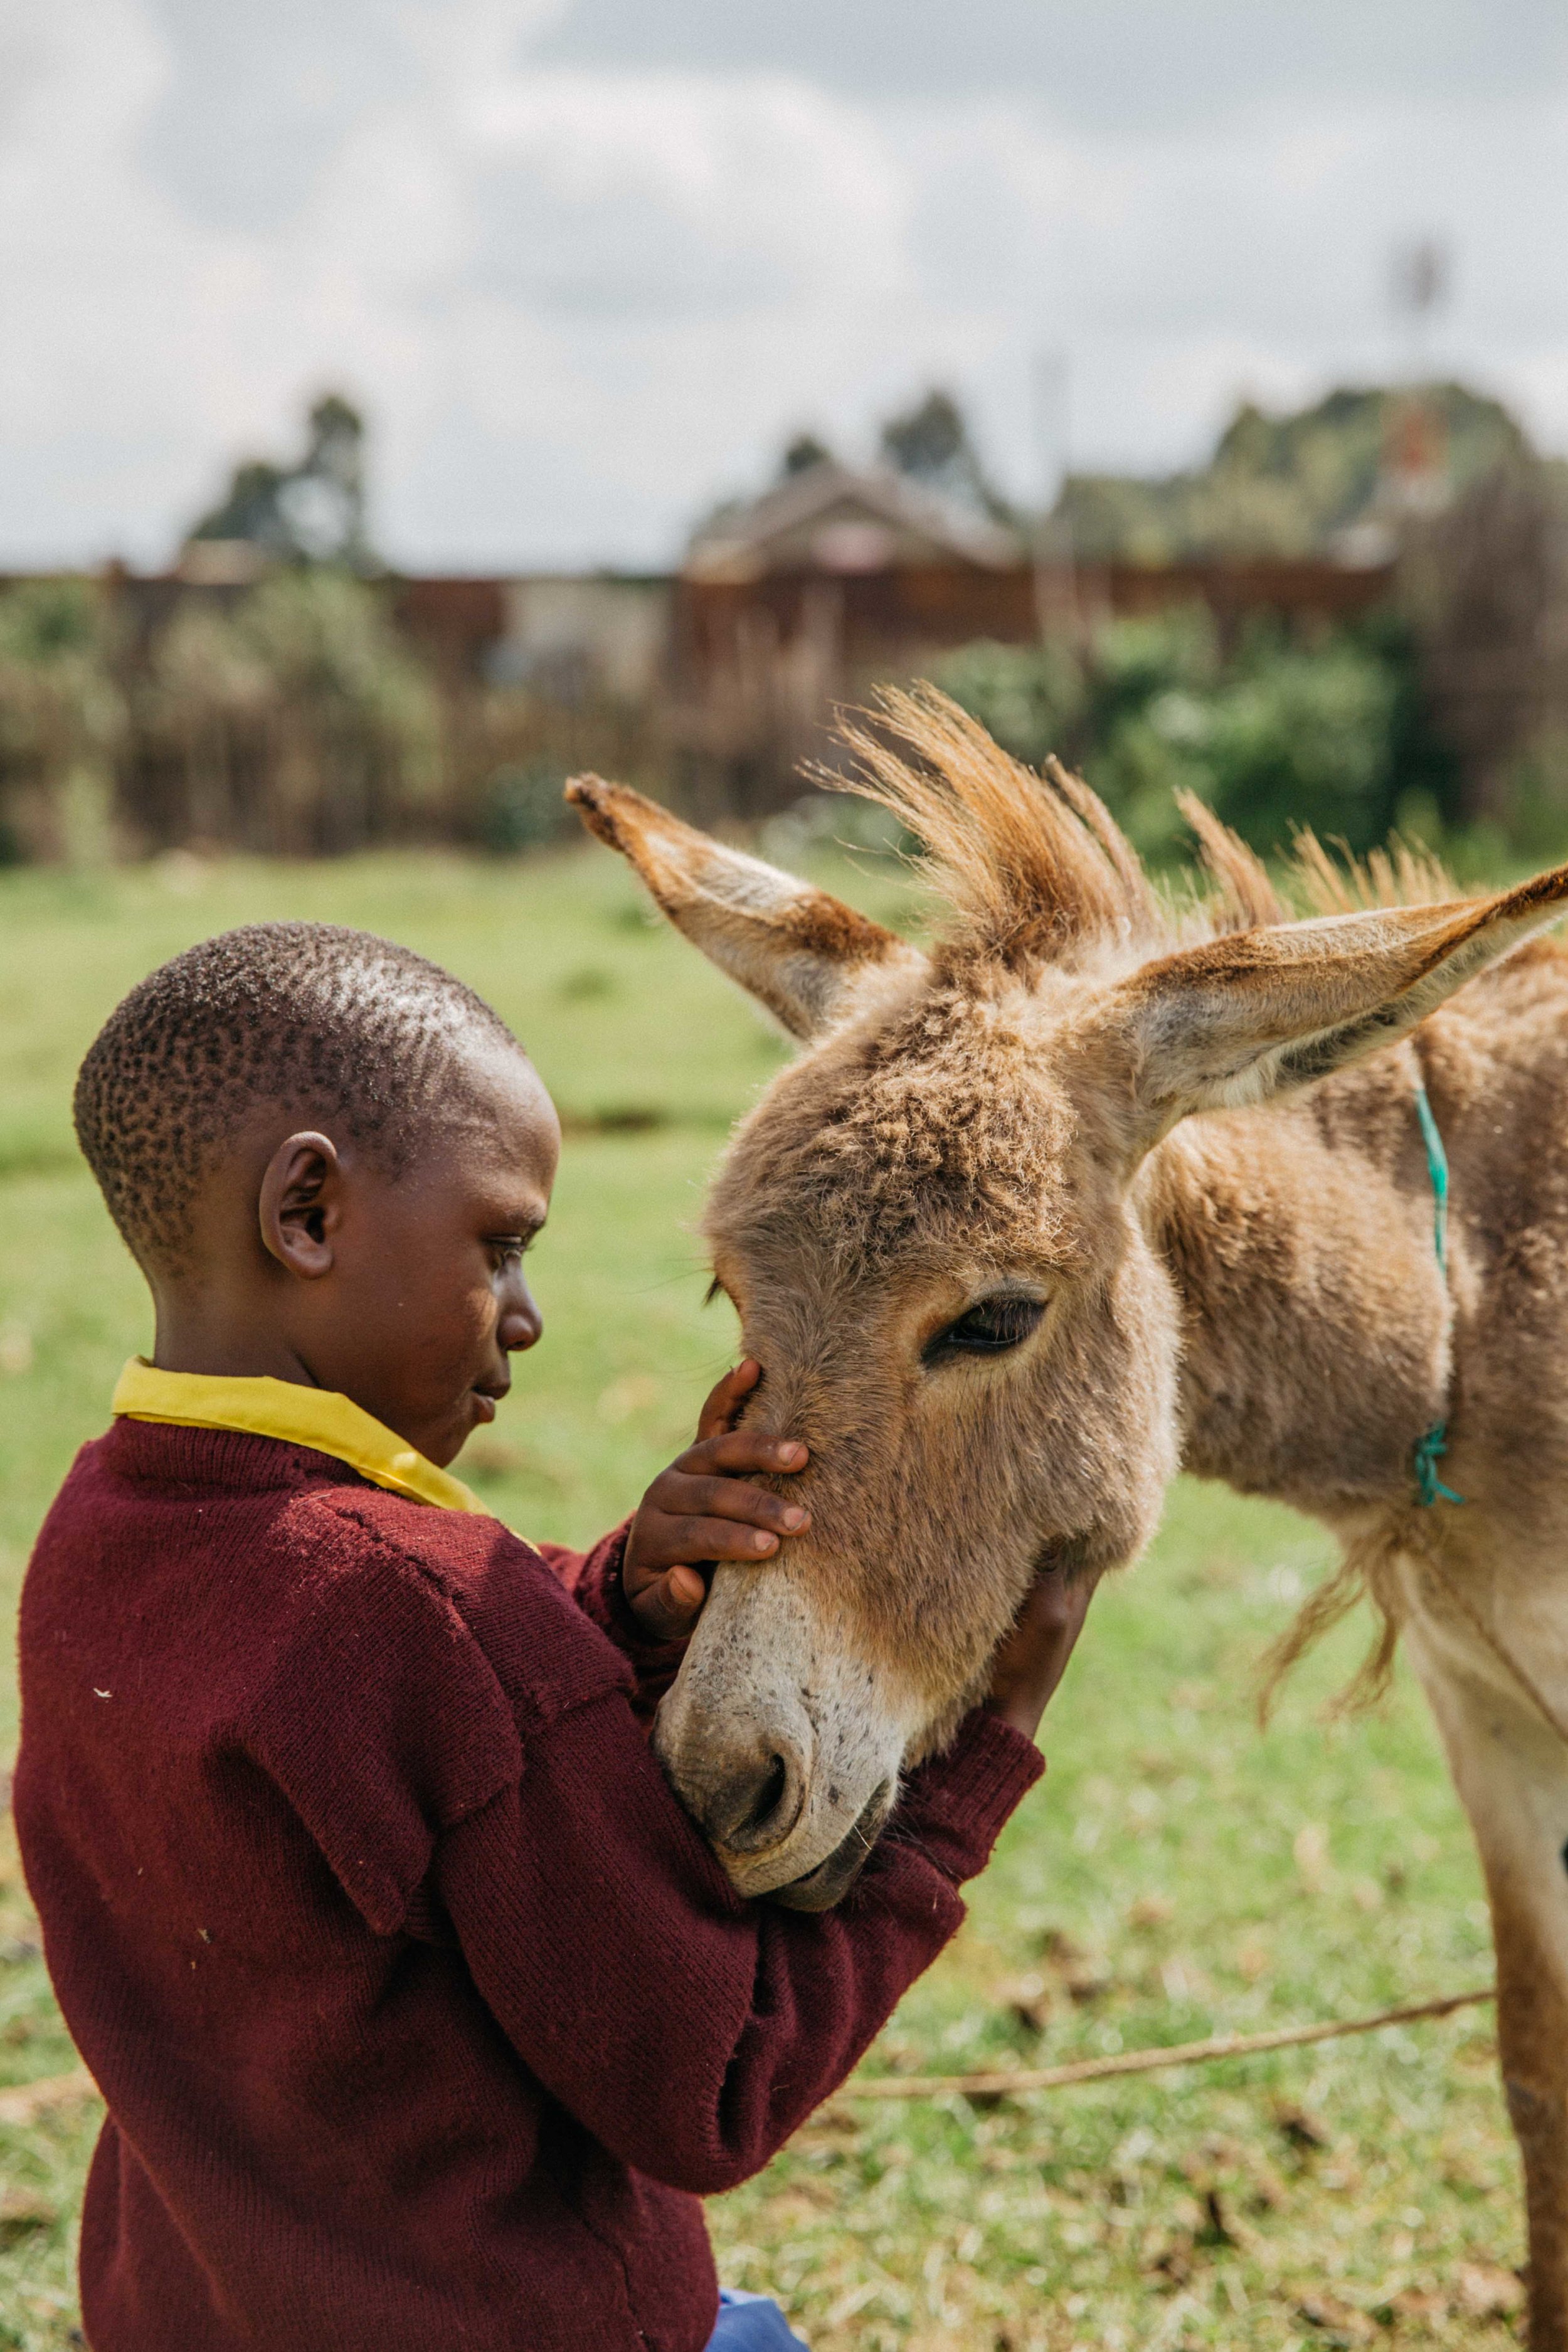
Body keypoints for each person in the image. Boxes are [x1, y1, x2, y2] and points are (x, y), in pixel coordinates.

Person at [14, 921, 1094, 2352]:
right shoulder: (428, 1613)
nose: (526, 1319)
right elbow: (717, 2083)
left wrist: (618, 1596)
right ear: (310, 1214)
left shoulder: (100, 1534)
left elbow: (398, 1758)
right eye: (501, 1245)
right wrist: (968, 1780)